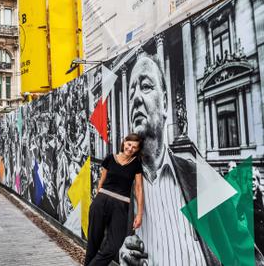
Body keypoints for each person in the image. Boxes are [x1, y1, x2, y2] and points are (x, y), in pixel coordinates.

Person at [119, 52, 263, 265]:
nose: (136, 98)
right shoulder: (118, 188)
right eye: (131, 93)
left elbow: (248, 257)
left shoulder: (200, 176)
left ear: (166, 103)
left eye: (146, 86)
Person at [84, 133, 144, 266]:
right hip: (101, 201)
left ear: (137, 150)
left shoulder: (136, 164)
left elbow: (138, 189)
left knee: (114, 245)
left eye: (134, 147)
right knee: (93, 243)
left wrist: (139, 214)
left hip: (121, 205)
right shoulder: (110, 159)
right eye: (129, 144)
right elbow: (101, 182)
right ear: (124, 143)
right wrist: (97, 199)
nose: (130, 149)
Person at [253, 168, 264, 254]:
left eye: (253, 179)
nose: (251, 182)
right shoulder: (241, 200)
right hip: (252, 244)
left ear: (257, 181)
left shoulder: (262, 198)